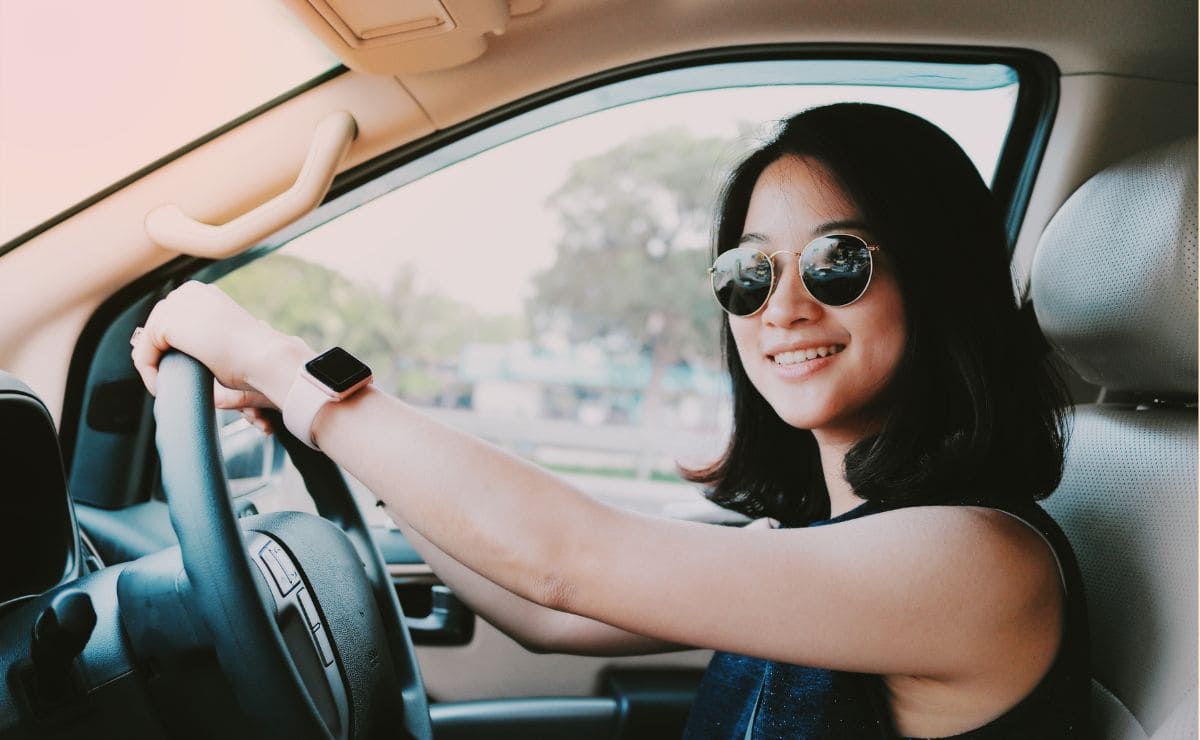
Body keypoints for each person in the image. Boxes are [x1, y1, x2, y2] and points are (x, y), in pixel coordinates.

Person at [130, 103, 1089, 738]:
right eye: (747, 275)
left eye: (838, 262)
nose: (782, 307)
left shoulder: (982, 568)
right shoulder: (820, 543)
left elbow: (565, 557)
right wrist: (319, 432)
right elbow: (546, 610)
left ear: (942, 281)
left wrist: (278, 361)